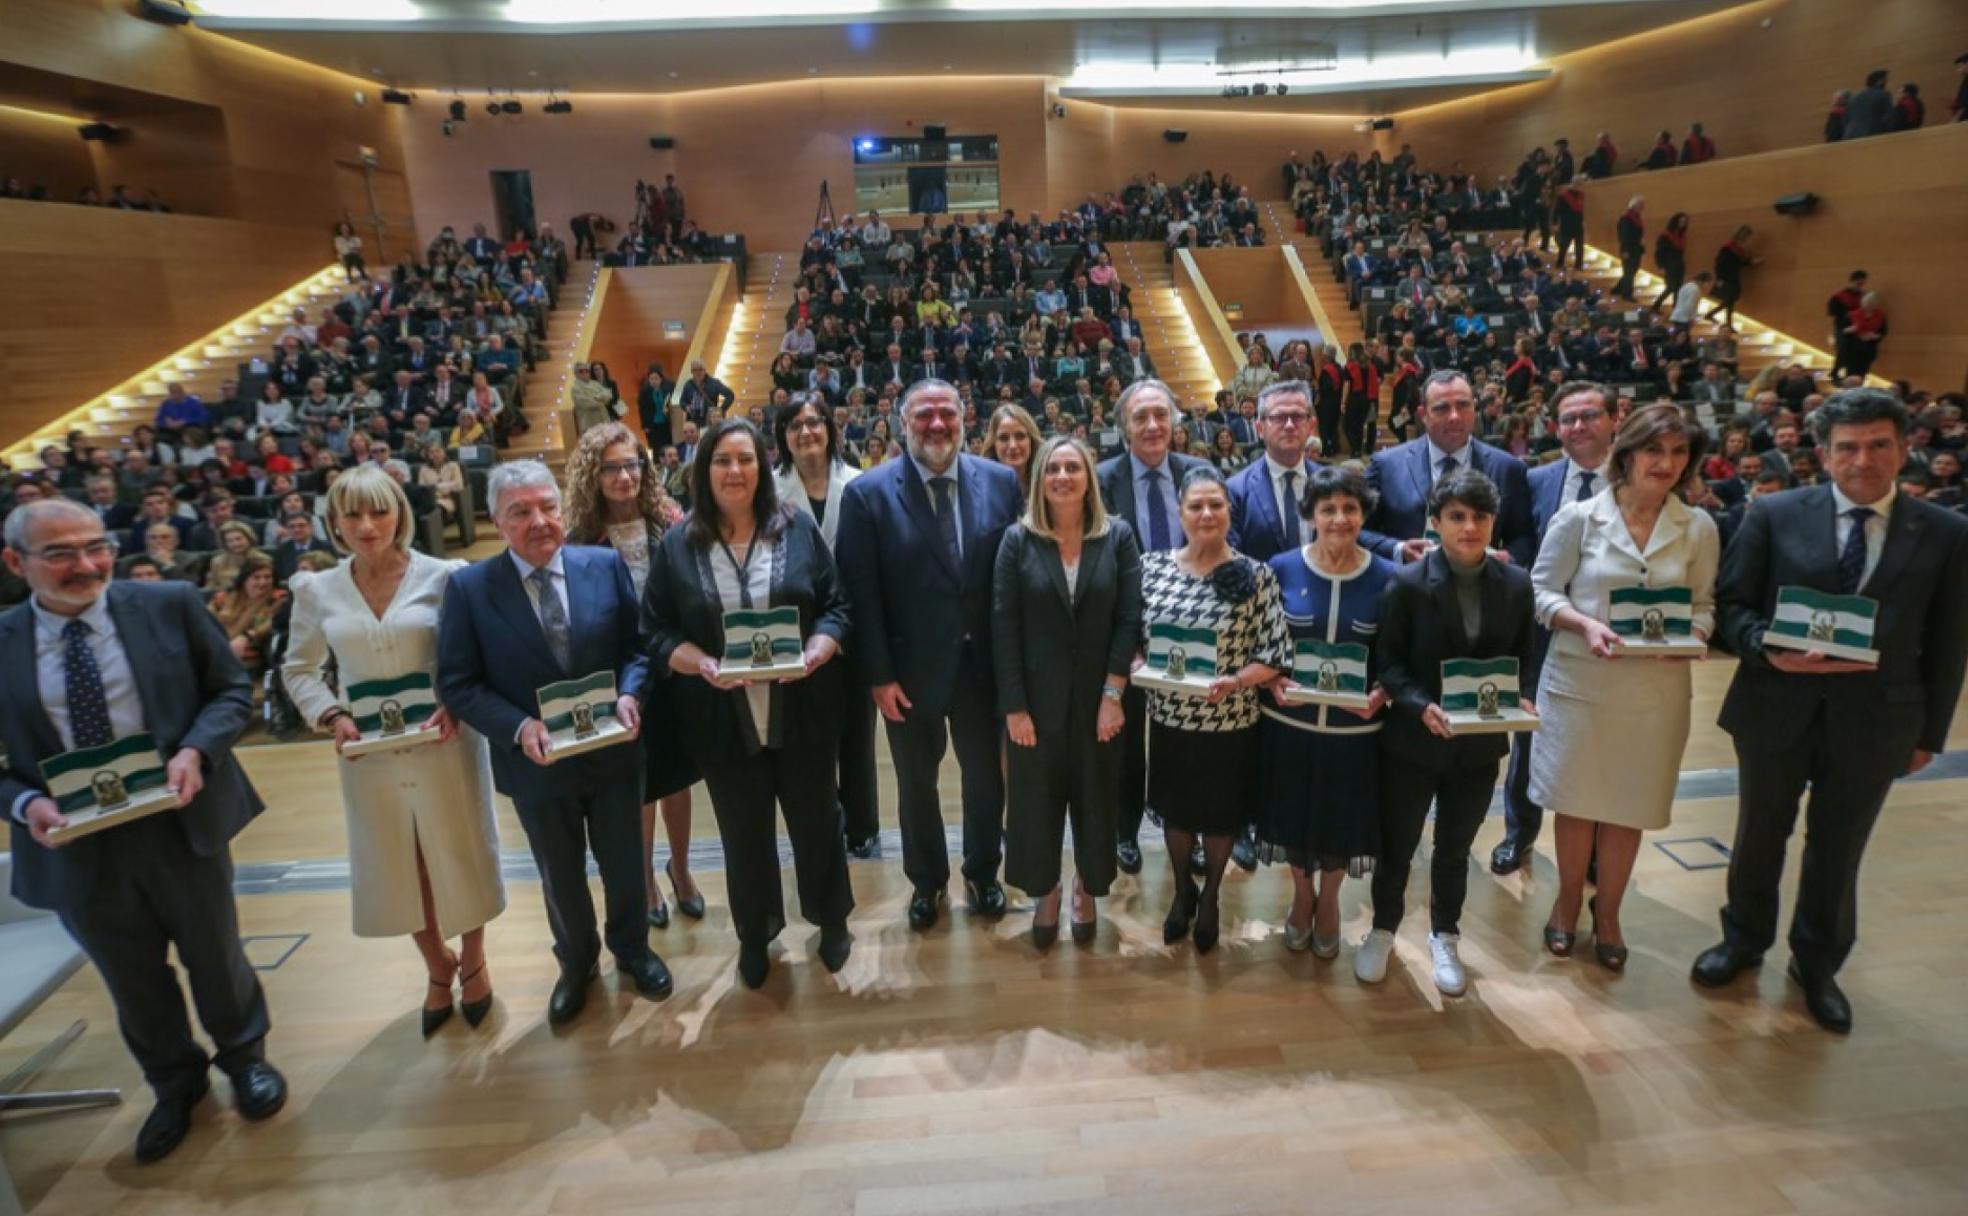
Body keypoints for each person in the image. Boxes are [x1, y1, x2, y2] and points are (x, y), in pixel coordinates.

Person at [0, 499, 286, 1163]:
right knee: (131, 978)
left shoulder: (170, 604)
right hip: (73, 842)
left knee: (217, 956)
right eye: (61, 553)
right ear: (17, 563)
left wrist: (195, 753)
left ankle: (245, 1060)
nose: (87, 564)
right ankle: (174, 1084)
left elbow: (229, 693)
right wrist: (25, 807)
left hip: (178, 822)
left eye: (96, 546)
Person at [1692, 389, 1968, 1032]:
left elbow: (1951, 643)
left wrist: (1930, 734)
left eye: (1878, 444)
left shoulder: (1948, 533)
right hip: (1775, 706)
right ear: (1824, 453)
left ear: (1905, 448)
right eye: (1848, 446)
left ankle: (1816, 965)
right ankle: (1743, 941)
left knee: (1840, 846)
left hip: (1878, 720)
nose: (1863, 459)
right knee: (1760, 834)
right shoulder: (1775, 513)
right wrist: (1766, 649)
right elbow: (1732, 608)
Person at [436, 461, 673, 1025]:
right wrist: (519, 727)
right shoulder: (469, 589)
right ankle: (576, 963)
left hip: (614, 751)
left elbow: (638, 649)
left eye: (548, 506)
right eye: (521, 511)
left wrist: (630, 694)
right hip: (535, 765)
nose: (540, 520)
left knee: (623, 863)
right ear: (496, 520)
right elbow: (458, 682)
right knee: (559, 874)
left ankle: (633, 951)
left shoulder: (604, 564)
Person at [282, 465, 506, 1035]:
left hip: (444, 741)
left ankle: (475, 959)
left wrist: (459, 703)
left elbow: (474, 656)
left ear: (399, 513)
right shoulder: (316, 589)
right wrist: (330, 714)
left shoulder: (446, 577)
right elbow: (299, 668)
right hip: (369, 756)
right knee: (399, 862)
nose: (366, 525)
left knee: (460, 851)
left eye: (378, 511)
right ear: (333, 522)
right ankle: (437, 967)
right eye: (352, 514)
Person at [642, 418, 855, 989]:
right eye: (721, 460)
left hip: (803, 709)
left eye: (745, 460)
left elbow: (837, 606)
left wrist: (818, 646)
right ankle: (755, 934)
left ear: (762, 469)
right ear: (702, 470)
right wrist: (701, 663)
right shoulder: (678, 545)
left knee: (817, 822)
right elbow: (656, 630)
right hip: (720, 719)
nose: (734, 471)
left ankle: (832, 920)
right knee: (743, 834)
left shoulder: (797, 531)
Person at [1530, 404, 1719, 969]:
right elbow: (1542, 592)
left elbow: (1705, 604)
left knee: (1627, 808)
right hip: (1581, 683)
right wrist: (1583, 622)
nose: (1666, 463)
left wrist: (1696, 634)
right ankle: (1566, 903)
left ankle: (1608, 912)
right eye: (1655, 450)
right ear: (1628, 452)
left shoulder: (1698, 527)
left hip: (1655, 692)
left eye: (1679, 452)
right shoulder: (1579, 518)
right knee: (1578, 804)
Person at [835, 380, 1024, 930]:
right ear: (902, 422)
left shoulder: (1000, 481)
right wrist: (878, 674)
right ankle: (928, 881)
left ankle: (983, 872)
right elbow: (860, 596)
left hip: (982, 669)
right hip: (907, 673)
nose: (936, 425)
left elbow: (1008, 580)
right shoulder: (868, 494)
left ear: (965, 419)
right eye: (925, 416)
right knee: (916, 785)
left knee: (986, 781)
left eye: (947, 414)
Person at [1356, 470, 1538, 996]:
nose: (1469, 526)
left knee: (1455, 849)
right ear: (1435, 523)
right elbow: (1387, 665)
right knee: (1398, 845)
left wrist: (1523, 694)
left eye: (1480, 517)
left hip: (1478, 746)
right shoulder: (1407, 584)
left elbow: (1524, 656)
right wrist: (1419, 706)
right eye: (1456, 516)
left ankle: (1445, 934)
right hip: (1413, 741)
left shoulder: (1518, 584)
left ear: (1493, 523)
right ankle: (1383, 928)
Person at [993, 436, 1142, 950]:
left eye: (1072, 467)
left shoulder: (1117, 537)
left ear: (1088, 477)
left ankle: (1085, 887)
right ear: (1039, 480)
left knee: (1097, 800)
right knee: (1035, 803)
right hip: (1035, 704)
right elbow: (1003, 627)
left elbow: (1128, 619)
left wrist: (1113, 693)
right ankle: (1048, 889)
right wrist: (1013, 707)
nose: (1062, 476)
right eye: (1052, 468)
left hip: (1100, 702)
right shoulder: (1018, 540)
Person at [1137, 465, 1291, 953]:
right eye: (1196, 505)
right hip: (1170, 721)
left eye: (1216, 505)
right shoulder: (1151, 567)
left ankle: (1211, 899)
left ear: (1229, 511)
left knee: (1222, 819)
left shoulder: (1257, 574)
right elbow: (1131, 638)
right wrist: (1137, 661)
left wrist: (1237, 681)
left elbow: (1276, 654)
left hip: (1231, 723)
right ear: (1180, 512)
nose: (1206, 514)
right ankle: (1182, 890)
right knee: (1179, 815)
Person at [561, 423, 703, 930]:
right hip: (619, 671)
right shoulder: (577, 534)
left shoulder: (668, 518)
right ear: (592, 475)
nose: (624, 477)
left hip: (674, 660)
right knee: (638, 784)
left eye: (632, 465)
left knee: (679, 777)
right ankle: (643, 880)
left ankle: (681, 869)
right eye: (612, 468)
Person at [1255, 465, 1396, 959]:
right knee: (1292, 816)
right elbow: (1259, 643)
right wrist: (1272, 679)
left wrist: (1383, 692)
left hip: (1356, 733)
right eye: (1328, 509)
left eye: (1350, 508)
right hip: (1289, 727)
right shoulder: (1279, 568)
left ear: (1364, 515)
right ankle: (1301, 895)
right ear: (1311, 515)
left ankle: (1331, 899)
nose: (1339, 518)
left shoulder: (1389, 578)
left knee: (1340, 821)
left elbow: (1398, 657)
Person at [1493, 382, 1618, 875]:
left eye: (1590, 416)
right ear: (1556, 427)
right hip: (1541, 629)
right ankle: (1518, 834)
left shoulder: (1633, 481)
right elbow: (1522, 541)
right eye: (1569, 419)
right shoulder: (1535, 479)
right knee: (1529, 736)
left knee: (1598, 740)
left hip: (1608, 633)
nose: (1579, 427)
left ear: (1613, 420)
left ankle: (1589, 848)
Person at [1094, 379, 1214, 876]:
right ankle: (1124, 832)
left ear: (1175, 424)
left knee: (1186, 743)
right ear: (1124, 428)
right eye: (1140, 417)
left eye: (1160, 415)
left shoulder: (1199, 474)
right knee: (1124, 740)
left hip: (1189, 633)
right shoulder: (1101, 480)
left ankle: (1189, 828)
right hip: (1123, 632)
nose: (1152, 426)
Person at [773, 395, 880, 857]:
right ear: (783, 437)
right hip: (794, 633)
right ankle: (821, 822)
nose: (806, 431)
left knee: (858, 732)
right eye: (794, 425)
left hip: (853, 629)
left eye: (814, 422)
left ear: (830, 430)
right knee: (810, 738)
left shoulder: (861, 484)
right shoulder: (768, 492)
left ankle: (862, 827)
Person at [1361, 370, 1535, 567]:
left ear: (1474, 408)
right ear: (1423, 415)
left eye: (1463, 405)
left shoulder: (1508, 468)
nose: (1454, 416)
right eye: (1442, 408)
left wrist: (1507, 560)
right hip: (1407, 588)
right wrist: (1398, 550)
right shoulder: (1386, 465)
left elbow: (1523, 537)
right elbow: (1358, 530)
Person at [1225, 380, 1320, 564]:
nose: (1290, 425)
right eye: (1279, 417)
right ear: (1260, 428)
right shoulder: (1235, 490)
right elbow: (1233, 559)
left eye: (1298, 416)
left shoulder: (1332, 484)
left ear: (1311, 426)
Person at [983, 403, 1043, 496]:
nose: (1012, 446)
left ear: (1031, 440)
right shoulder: (979, 490)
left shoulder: (1047, 486)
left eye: (1020, 436)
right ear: (993, 444)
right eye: (1003, 438)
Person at [1703, 226, 1757, 328]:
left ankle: (1725, 322)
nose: (1747, 239)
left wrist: (1750, 262)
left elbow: (1738, 263)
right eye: (1746, 236)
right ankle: (1717, 318)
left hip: (1733, 276)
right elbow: (1719, 263)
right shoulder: (1728, 247)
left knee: (1731, 300)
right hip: (1726, 277)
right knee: (1729, 300)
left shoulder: (1739, 249)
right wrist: (1719, 279)